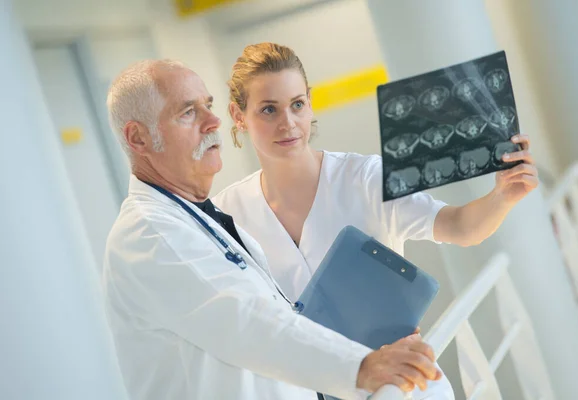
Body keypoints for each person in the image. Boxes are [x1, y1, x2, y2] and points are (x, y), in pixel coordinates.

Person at [102, 59, 444, 400]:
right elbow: (244, 321)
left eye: (207, 105)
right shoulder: (148, 234)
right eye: (187, 113)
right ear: (138, 138)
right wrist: (362, 366)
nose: (213, 121)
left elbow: (274, 317)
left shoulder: (203, 217)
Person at [213, 43, 540, 397]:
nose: (288, 123)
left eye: (296, 105)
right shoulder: (226, 213)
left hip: (402, 386)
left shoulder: (364, 178)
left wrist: (503, 196)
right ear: (238, 115)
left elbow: (460, 227)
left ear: (309, 103)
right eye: (268, 110)